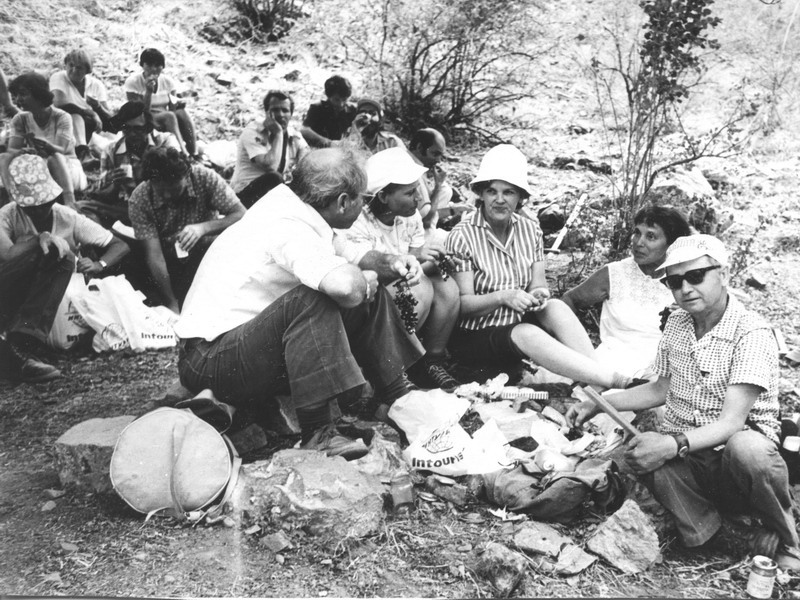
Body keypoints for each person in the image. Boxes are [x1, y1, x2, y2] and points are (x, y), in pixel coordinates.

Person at [566, 234, 800, 571]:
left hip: (736, 463)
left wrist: (670, 445)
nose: (685, 288)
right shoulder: (677, 322)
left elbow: (731, 423)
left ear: (724, 274)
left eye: (696, 276)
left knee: (747, 448)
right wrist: (602, 402)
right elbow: (660, 389)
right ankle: (717, 532)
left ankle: (787, 538)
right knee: (642, 451)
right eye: (675, 282)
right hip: (691, 456)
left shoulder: (751, 333)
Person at [174, 147, 425, 441]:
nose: (364, 205)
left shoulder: (302, 207)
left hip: (237, 347)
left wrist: (391, 263)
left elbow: (355, 255)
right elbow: (345, 287)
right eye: (362, 198)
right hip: (208, 359)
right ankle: (318, 431)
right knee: (313, 298)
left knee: (362, 281)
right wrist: (364, 281)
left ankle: (396, 395)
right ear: (343, 202)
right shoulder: (288, 226)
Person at [444, 144, 636, 390]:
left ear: (520, 197)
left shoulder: (530, 230)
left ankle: (596, 379)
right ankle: (615, 381)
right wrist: (503, 296)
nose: (500, 200)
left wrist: (538, 295)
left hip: (515, 324)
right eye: (492, 191)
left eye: (509, 192)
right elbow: (462, 306)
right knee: (526, 332)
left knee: (555, 307)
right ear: (481, 193)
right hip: (476, 336)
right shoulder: (462, 234)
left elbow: (538, 285)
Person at [340, 147, 461, 392]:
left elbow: (416, 262)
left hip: (402, 287)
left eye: (417, 189)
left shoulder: (409, 216)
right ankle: (390, 369)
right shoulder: (359, 223)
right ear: (384, 197)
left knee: (446, 285)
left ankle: (431, 360)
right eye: (409, 193)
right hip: (370, 300)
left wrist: (434, 259)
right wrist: (415, 259)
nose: (418, 198)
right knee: (419, 287)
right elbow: (368, 272)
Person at [0, 154, 128, 363]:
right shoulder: (7, 215)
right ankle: (22, 335)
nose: (39, 210)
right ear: (21, 205)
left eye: (44, 204)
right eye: (32, 207)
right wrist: (39, 239)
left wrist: (99, 264)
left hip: (55, 294)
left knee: (62, 255)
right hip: (13, 290)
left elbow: (119, 245)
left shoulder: (67, 217)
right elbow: (7, 254)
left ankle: (28, 338)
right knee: (47, 250)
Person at [561, 206, 692, 377]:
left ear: (671, 244)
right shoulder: (614, 273)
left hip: (662, 370)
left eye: (650, 236)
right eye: (637, 233)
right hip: (609, 366)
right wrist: (576, 347)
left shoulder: (686, 279)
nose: (639, 242)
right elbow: (568, 302)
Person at [128, 147, 246, 313]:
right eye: (161, 191)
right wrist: (171, 302)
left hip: (208, 252)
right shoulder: (139, 199)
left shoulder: (205, 177)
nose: (167, 196)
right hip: (169, 260)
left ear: (187, 175)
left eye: (174, 189)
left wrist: (203, 228)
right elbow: (155, 256)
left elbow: (241, 214)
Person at [79, 101, 179, 227]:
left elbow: (180, 175)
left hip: (165, 206)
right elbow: (104, 195)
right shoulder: (111, 151)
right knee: (82, 206)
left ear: (148, 128)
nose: (132, 134)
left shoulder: (165, 141)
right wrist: (114, 184)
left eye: (137, 129)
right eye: (127, 129)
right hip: (132, 208)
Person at [1, 72, 87, 208]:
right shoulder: (20, 119)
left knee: (55, 156)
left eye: (23, 94)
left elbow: (61, 150)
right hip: (37, 167)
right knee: (4, 158)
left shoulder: (62, 117)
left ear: (38, 94)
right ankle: (13, 199)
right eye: (15, 96)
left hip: (66, 169)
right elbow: (12, 149)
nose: (18, 100)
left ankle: (70, 202)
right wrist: (22, 152)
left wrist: (46, 147)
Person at [229, 90, 309, 208]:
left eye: (285, 110)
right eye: (275, 110)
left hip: (272, 194)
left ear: (291, 114)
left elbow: (307, 160)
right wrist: (278, 134)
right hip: (244, 196)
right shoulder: (253, 131)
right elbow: (270, 166)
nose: (280, 115)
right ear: (267, 112)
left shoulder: (294, 135)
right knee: (274, 178)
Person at [123, 48, 196, 157]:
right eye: (149, 65)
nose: (153, 69)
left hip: (165, 117)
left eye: (157, 65)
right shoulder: (133, 82)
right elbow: (139, 112)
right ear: (142, 65)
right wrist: (148, 92)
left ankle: (194, 151)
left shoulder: (168, 82)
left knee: (182, 113)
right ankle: (182, 153)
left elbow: (172, 107)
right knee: (169, 116)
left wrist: (178, 104)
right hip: (145, 117)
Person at [49, 49, 112, 158]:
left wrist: (97, 107)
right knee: (74, 116)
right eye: (71, 65)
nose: (74, 70)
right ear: (65, 65)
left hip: (89, 131)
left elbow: (109, 118)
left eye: (79, 68)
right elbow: (59, 103)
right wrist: (91, 113)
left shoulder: (96, 85)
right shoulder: (59, 77)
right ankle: (83, 153)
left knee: (110, 150)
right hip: (61, 128)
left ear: (87, 70)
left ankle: (88, 152)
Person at [408, 128, 458, 231]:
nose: (438, 160)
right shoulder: (413, 171)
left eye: (440, 155)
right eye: (435, 154)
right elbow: (426, 222)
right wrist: (438, 186)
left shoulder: (413, 162)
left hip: (418, 221)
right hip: (415, 229)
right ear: (419, 147)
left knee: (446, 190)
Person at [300, 75, 357, 148]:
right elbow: (304, 130)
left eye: (344, 100)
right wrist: (327, 142)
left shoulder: (352, 110)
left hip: (342, 148)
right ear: (329, 96)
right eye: (336, 99)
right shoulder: (318, 108)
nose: (341, 104)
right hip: (321, 148)